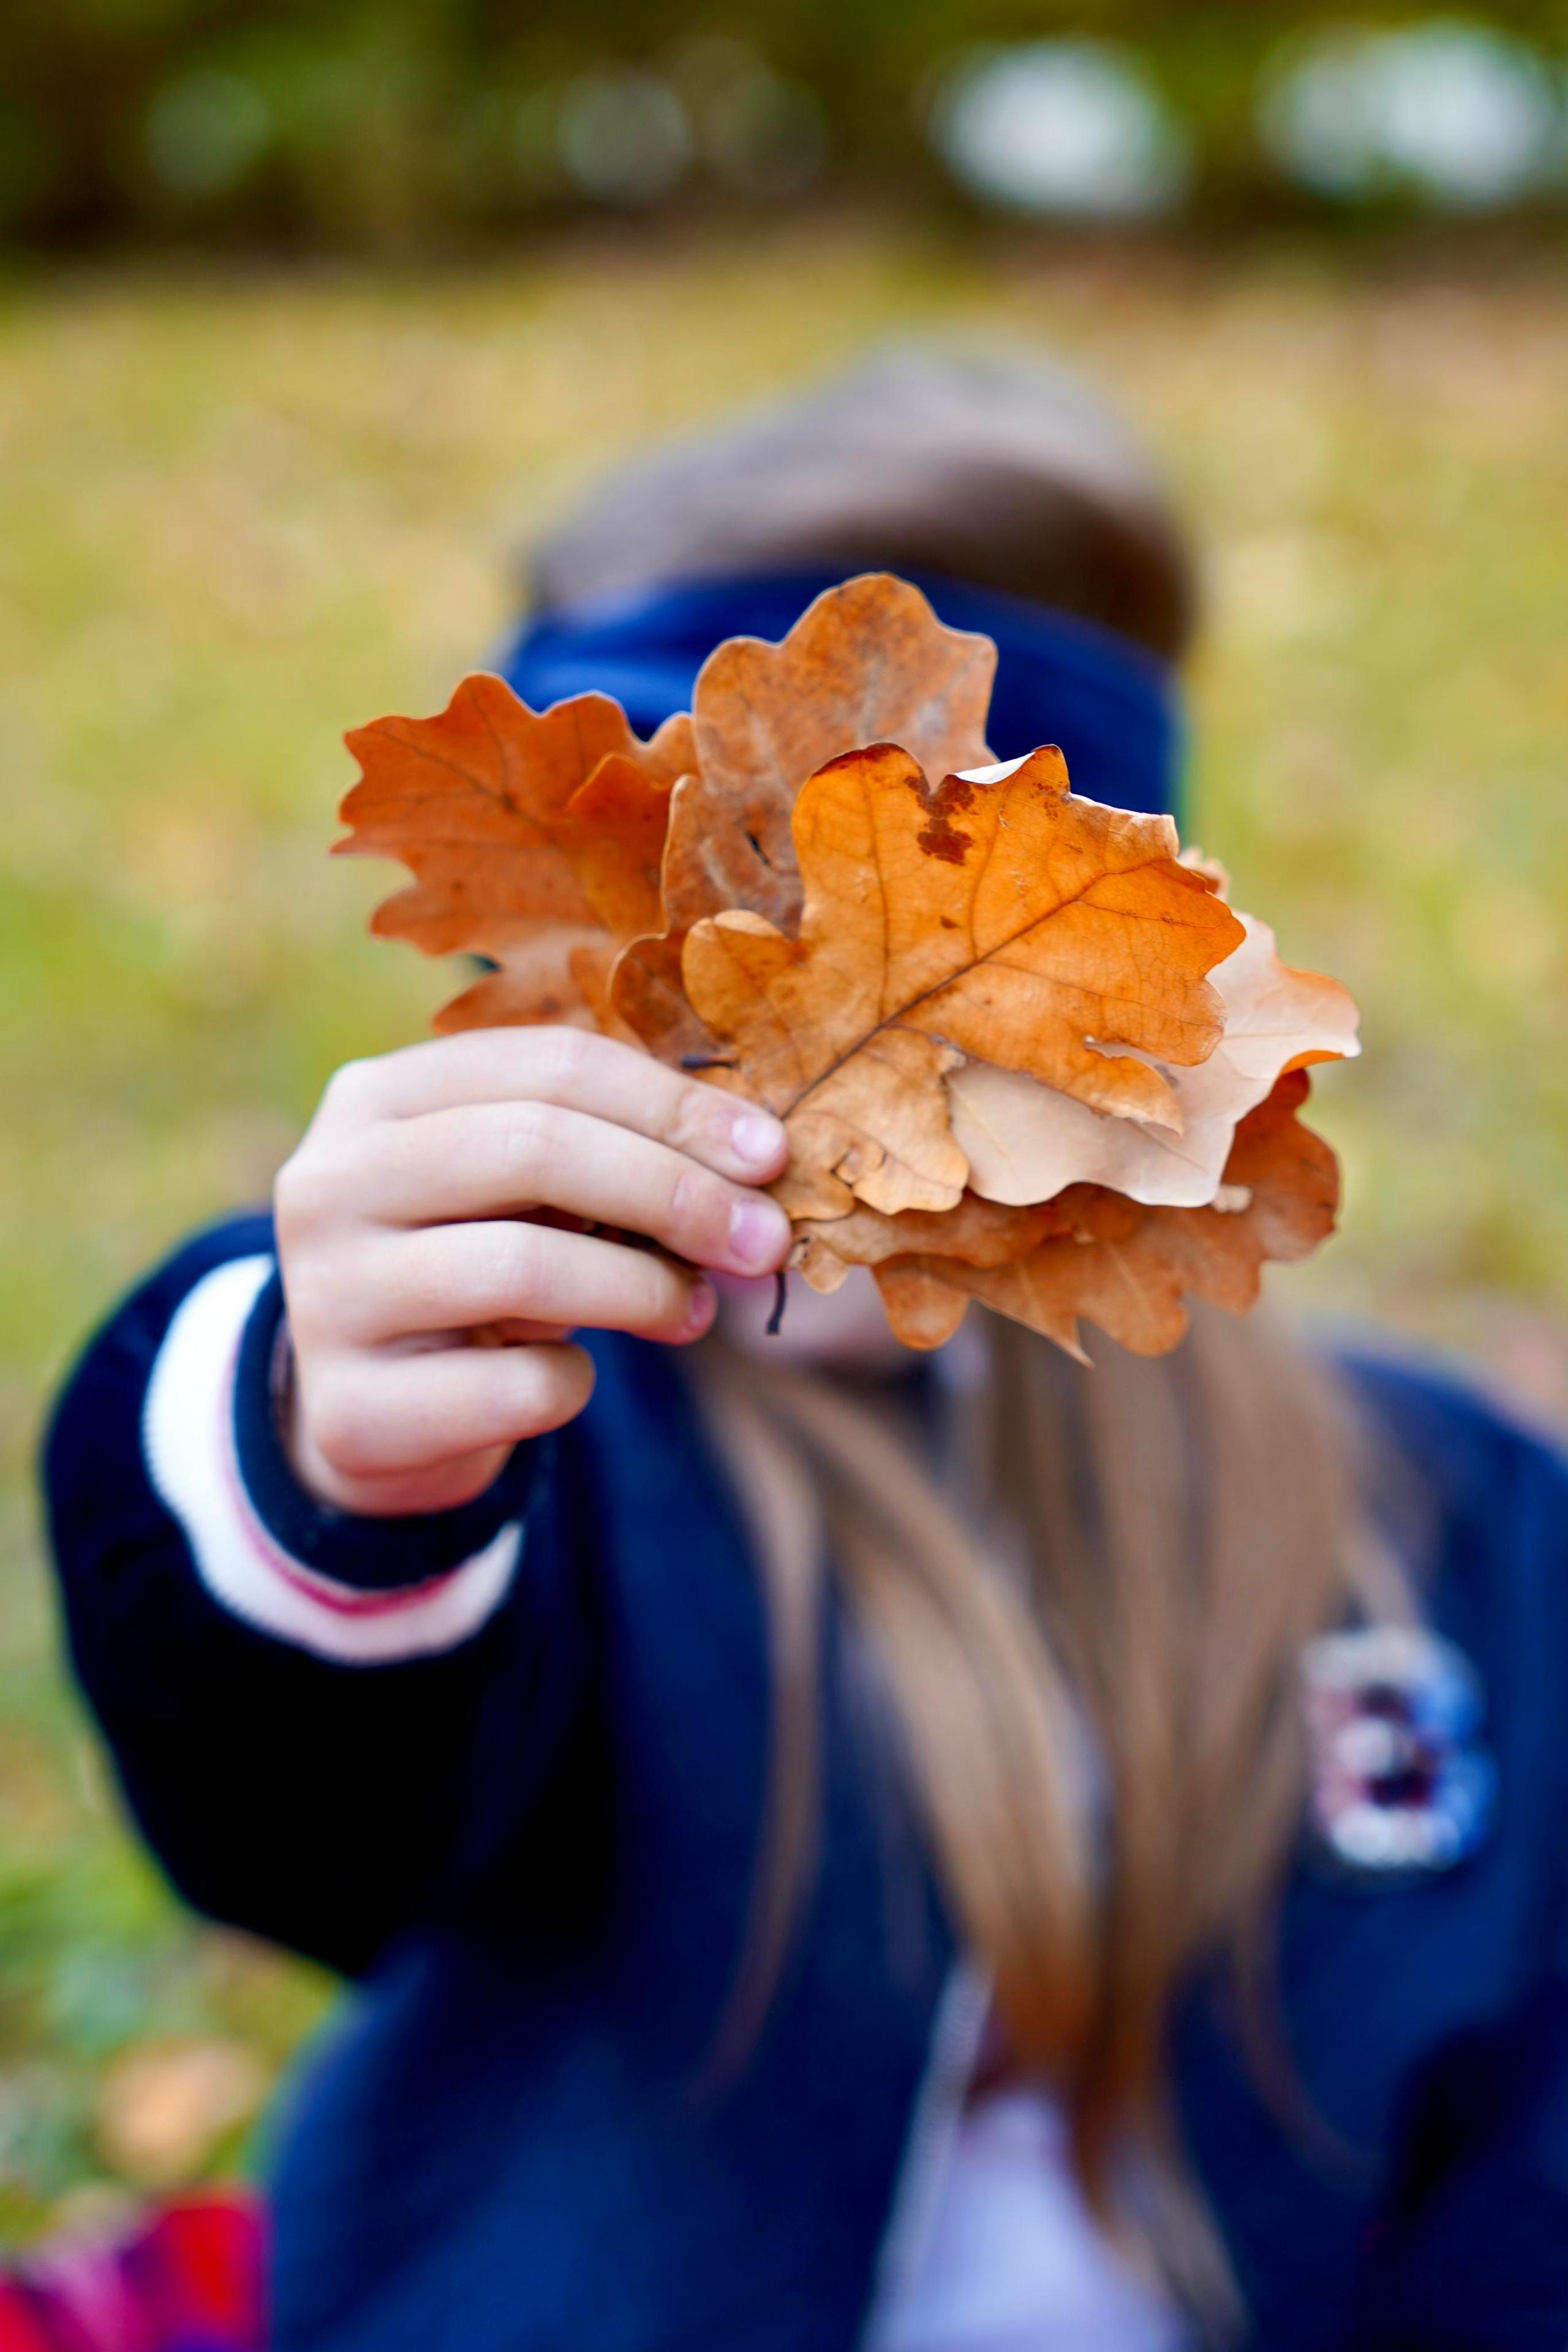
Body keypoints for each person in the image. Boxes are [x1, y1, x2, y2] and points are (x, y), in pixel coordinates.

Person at [42, 348, 1568, 2352]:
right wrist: (330, 1445)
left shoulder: (1458, 1533)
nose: (760, 1059)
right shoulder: (547, 1455)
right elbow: (299, 1821)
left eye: (871, 949)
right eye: (672, 955)